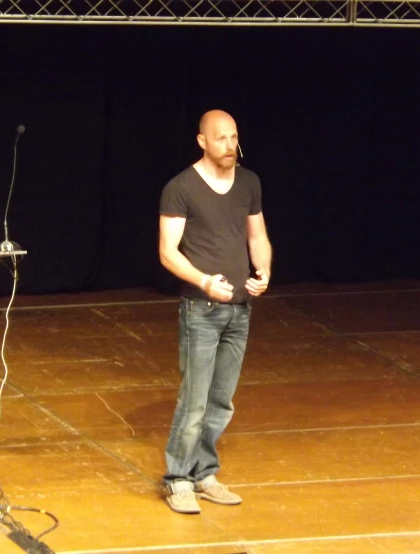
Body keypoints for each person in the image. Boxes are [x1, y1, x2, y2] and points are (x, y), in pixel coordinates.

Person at [158, 109, 272, 514]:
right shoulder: (181, 188)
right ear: (202, 141)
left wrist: (264, 271)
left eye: (234, 137)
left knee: (221, 401)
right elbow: (167, 252)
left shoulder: (249, 182)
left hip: (239, 310)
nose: (229, 145)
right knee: (194, 402)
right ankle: (178, 479)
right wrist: (204, 281)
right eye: (220, 138)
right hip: (201, 309)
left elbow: (257, 235)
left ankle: (204, 472)